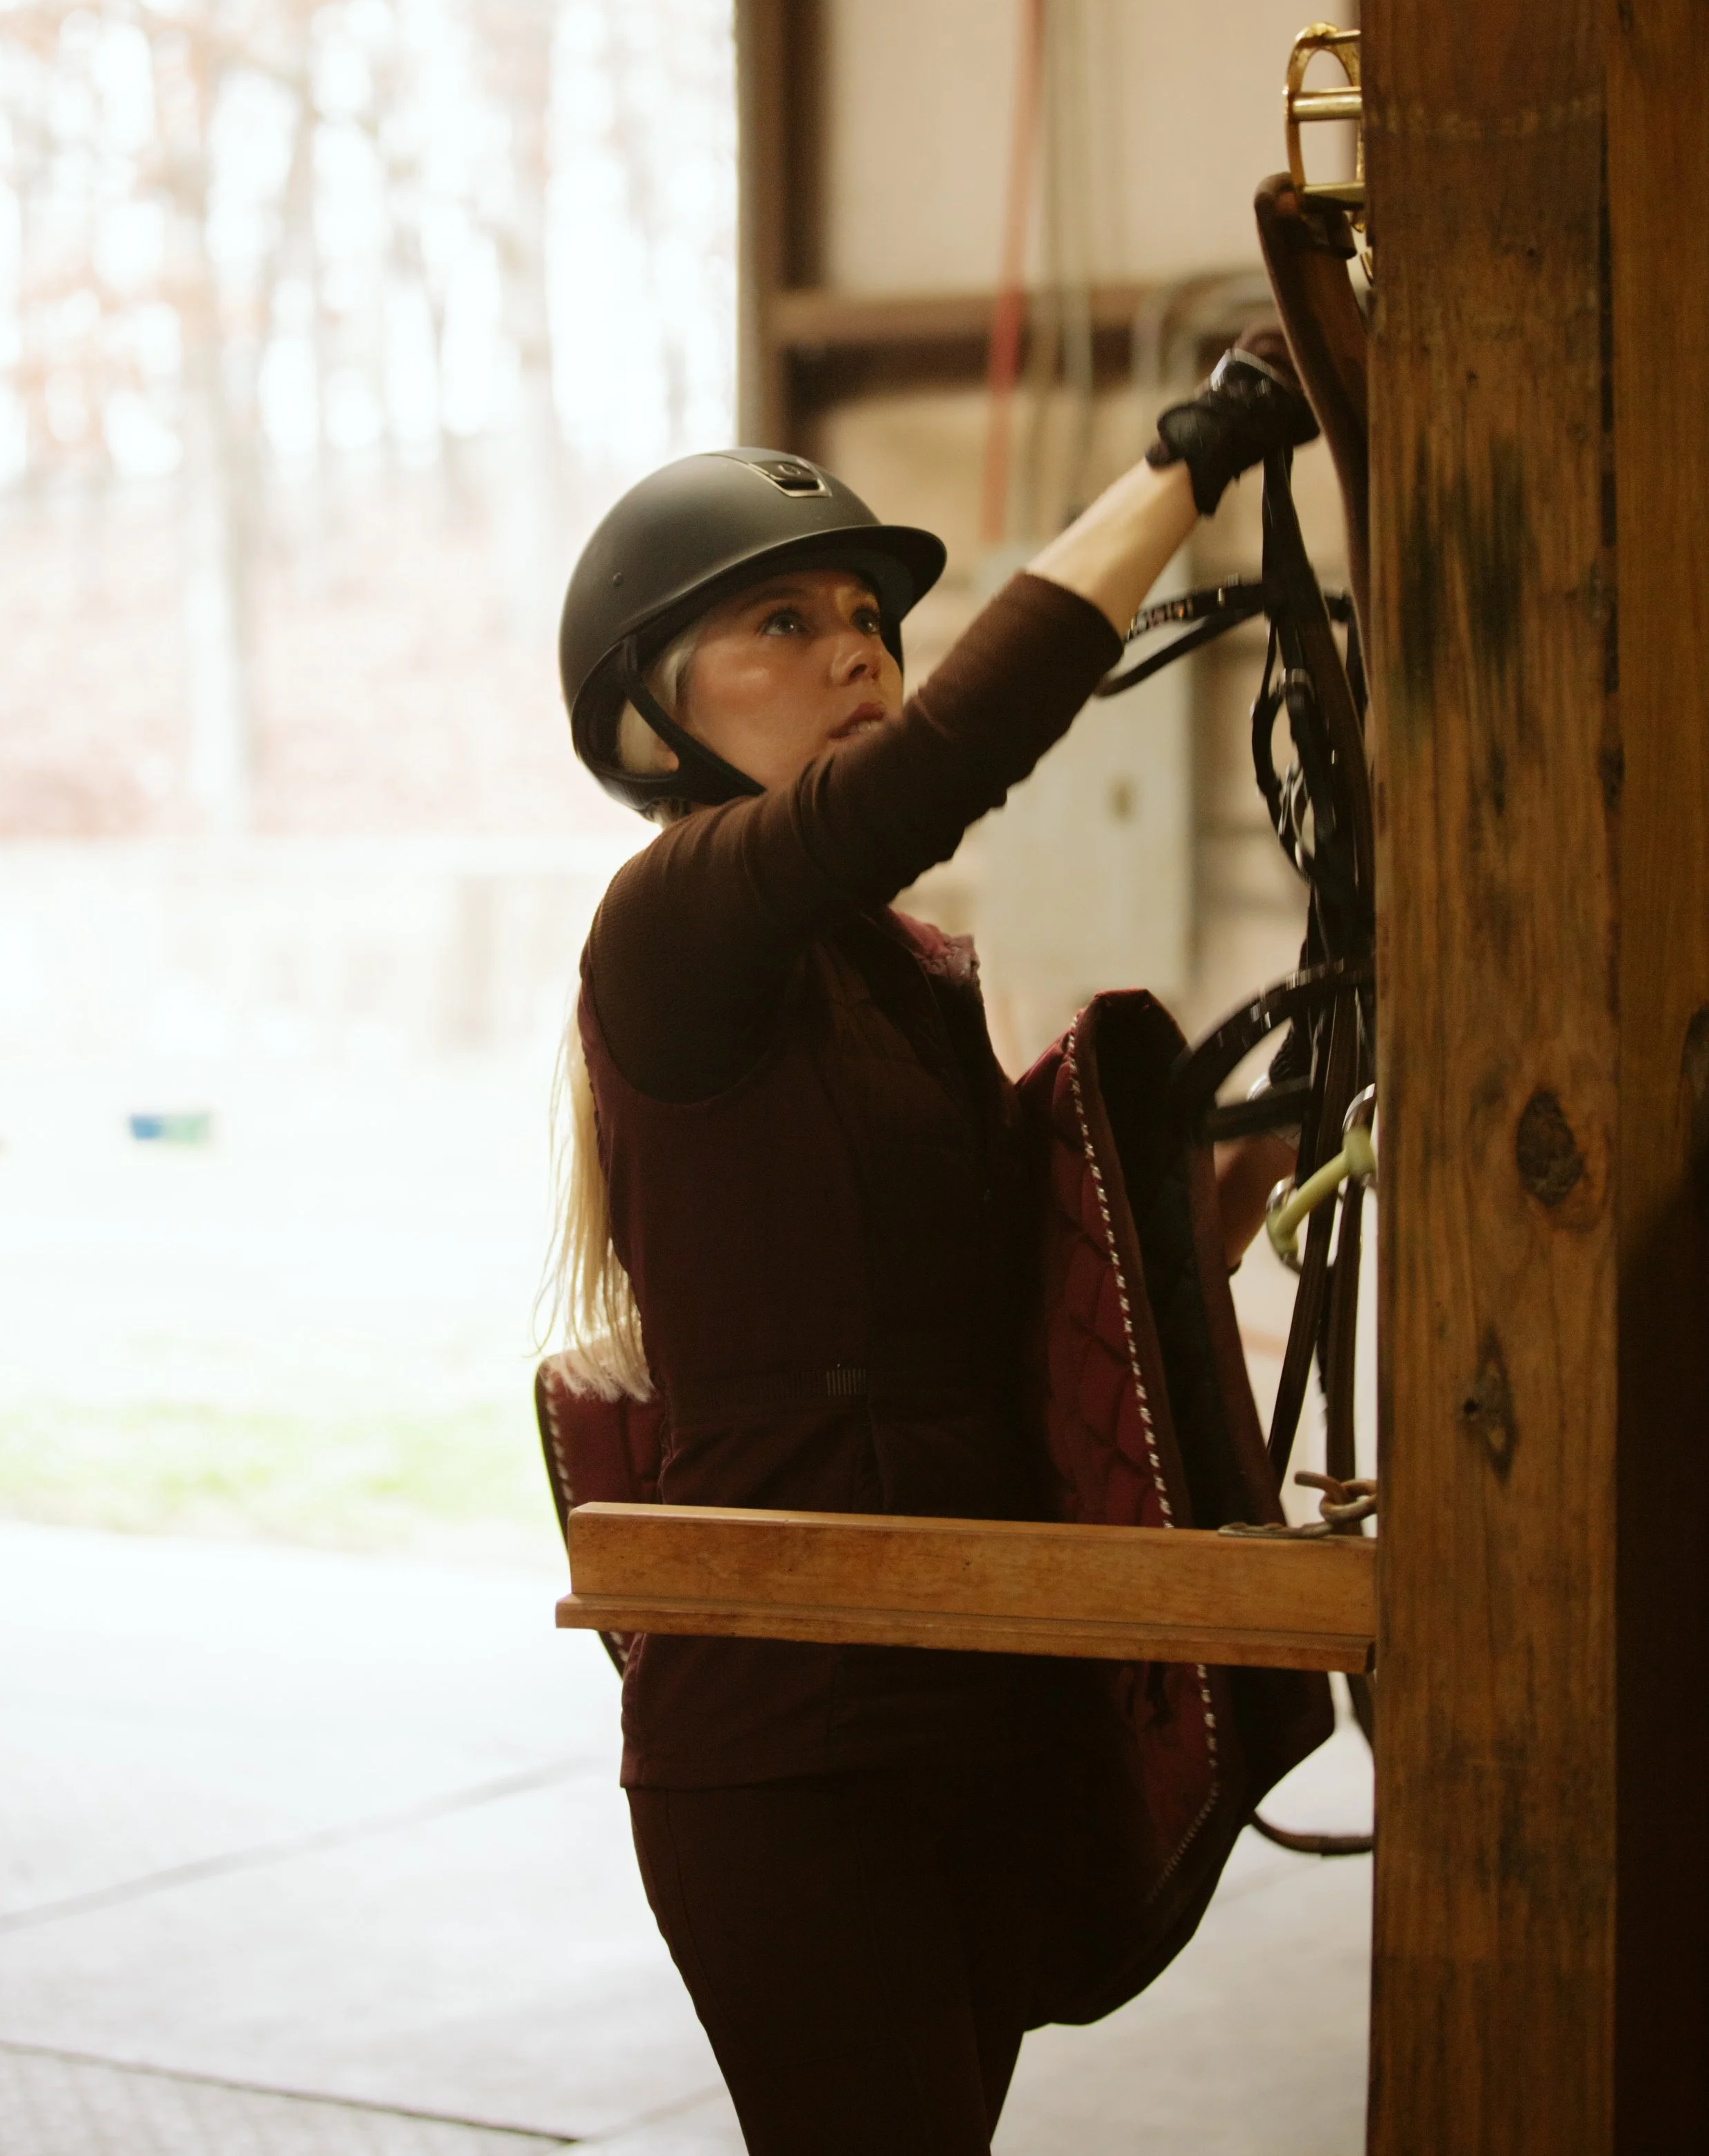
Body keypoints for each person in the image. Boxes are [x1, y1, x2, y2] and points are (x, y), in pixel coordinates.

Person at [549, 338, 1316, 2156]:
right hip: (795, 1729)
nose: (852, 654)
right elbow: (949, 760)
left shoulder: (912, 983)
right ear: (655, 713)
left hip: (977, 1682)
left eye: (862, 621)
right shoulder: (670, 923)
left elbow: (1041, 1301)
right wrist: (1187, 463)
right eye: (780, 627)